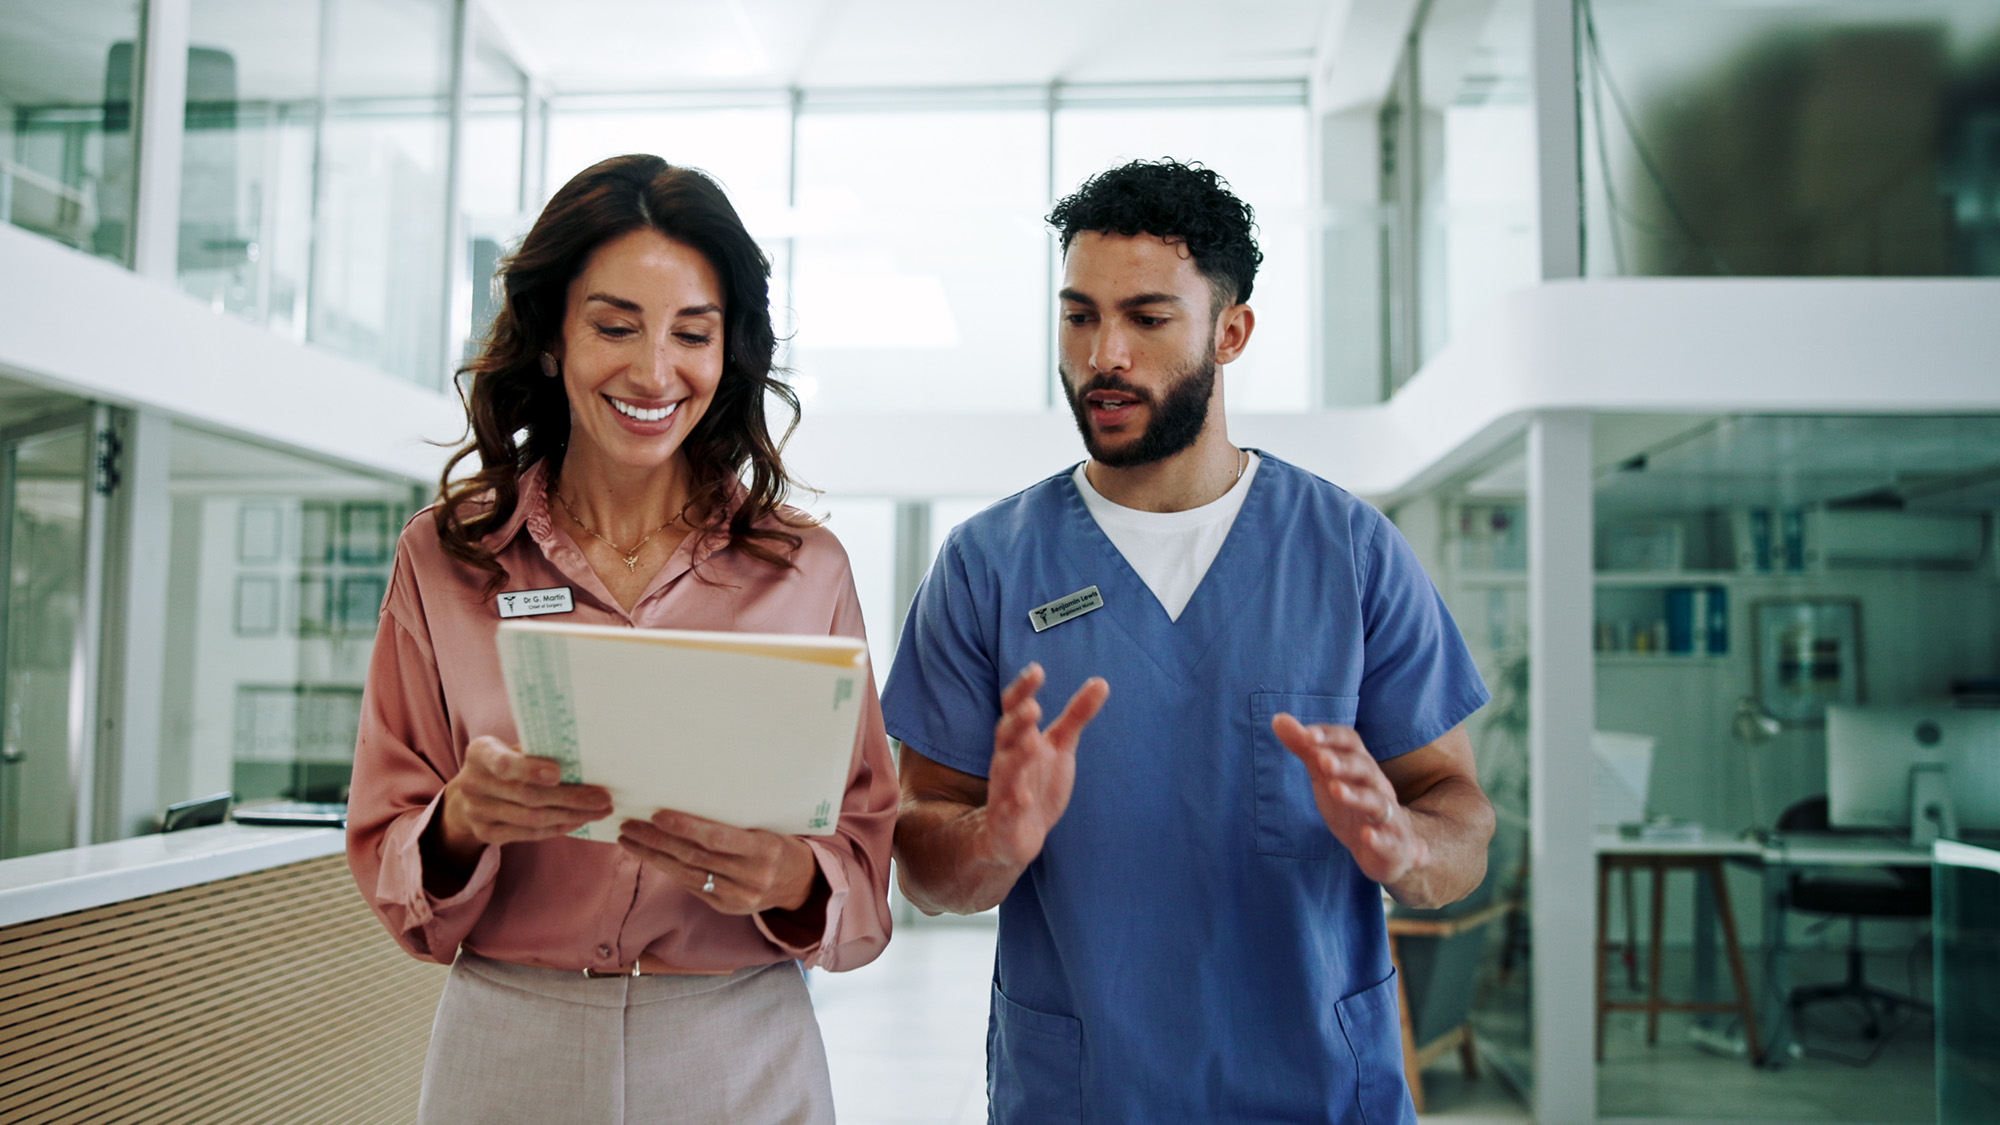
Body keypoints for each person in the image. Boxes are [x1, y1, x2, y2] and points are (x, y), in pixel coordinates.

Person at [883, 159, 1496, 1122]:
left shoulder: (1349, 552)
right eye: (1079, 315)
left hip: (1320, 1088)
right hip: (1083, 1093)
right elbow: (921, 855)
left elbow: (1460, 818)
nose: (1103, 353)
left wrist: (1403, 840)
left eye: (1148, 318)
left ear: (1231, 330)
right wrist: (992, 840)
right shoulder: (987, 566)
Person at [345, 153, 895, 1125]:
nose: (652, 372)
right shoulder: (445, 558)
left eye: (692, 333)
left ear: (730, 352)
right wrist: (462, 822)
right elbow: (388, 846)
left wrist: (795, 880)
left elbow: (862, 858)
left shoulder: (806, 571)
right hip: (509, 1042)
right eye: (614, 327)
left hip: (739, 1043)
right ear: (552, 339)